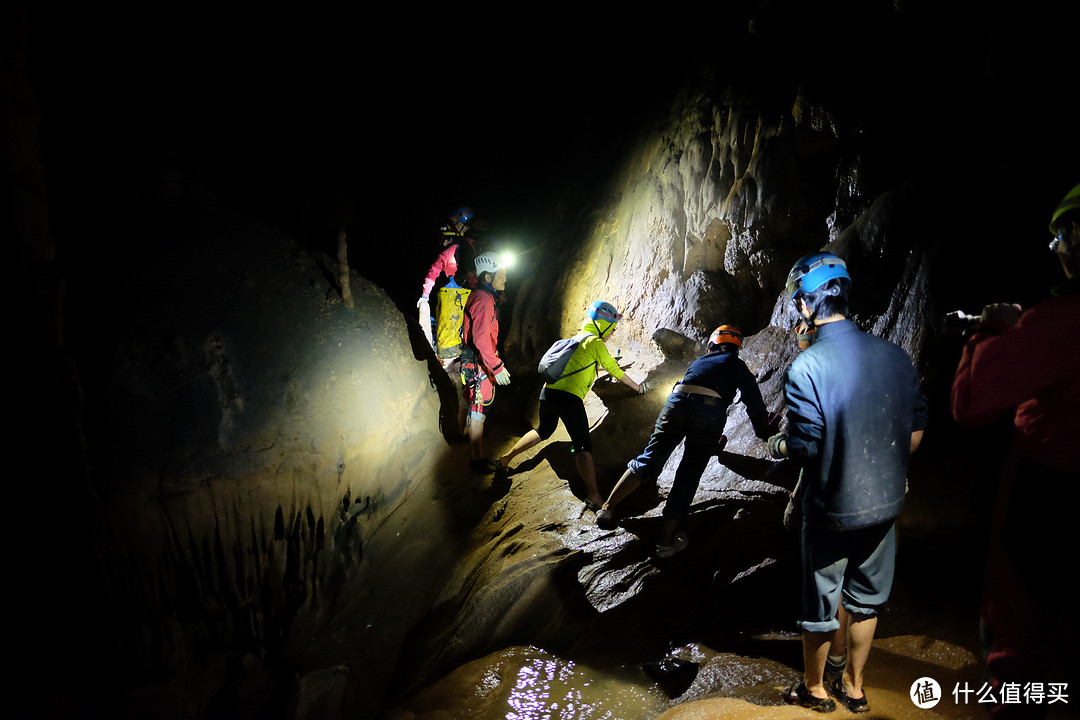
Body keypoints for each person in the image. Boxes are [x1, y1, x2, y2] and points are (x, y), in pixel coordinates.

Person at [768, 251, 928, 713]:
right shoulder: (895, 355)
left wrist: (778, 446)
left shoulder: (806, 368)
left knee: (822, 602)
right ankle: (855, 689)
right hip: (885, 502)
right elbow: (915, 429)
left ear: (804, 305)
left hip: (832, 509)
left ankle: (816, 691)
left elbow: (805, 446)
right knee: (865, 601)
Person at [950, 183, 1080, 719]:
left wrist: (990, 332)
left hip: (1049, 513)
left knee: (1021, 654)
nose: (1057, 248)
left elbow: (972, 402)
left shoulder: (1060, 321)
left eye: (1063, 234)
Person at [596, 325, 777, 558]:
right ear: (736, 348)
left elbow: (693, 394)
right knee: (688, 475)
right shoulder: (736, 365)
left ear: (712, 345)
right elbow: (753, 401)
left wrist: (712, 440)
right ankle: (665, 542)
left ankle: (607, 509)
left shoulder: (700, 362)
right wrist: (764, 430)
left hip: (676, 401)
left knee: (650, 458)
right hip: (709, 411)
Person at [500, 301, 647, 509]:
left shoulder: (575, 339)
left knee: (544, 429)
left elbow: (583, 364)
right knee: (581, 445)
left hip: (548, 393)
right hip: (568, 398)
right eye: (612, 328)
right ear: (602, 325)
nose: (612, 333)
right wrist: (638, 388)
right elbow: (614, 369)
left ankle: (506, 459)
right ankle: (594, 495)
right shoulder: (596, 343)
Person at [461, 252, 511, 473]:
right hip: (479, 360)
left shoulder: (487, 296)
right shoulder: (483, 299)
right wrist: (496, 366)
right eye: (501, 274)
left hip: (481, 359)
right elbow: (481, 337)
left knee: (476, 406)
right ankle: (476, 460)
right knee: (478, 408)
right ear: (488, 277)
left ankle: (471, 447)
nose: (505, 279)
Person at [418, 207, 478, 363]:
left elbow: (432, 274)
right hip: (473, 294)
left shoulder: (448, 252)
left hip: (454, 296)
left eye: (444, 239)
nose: (442, 242)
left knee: (449, 336)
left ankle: (446, 359)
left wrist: (424, 295)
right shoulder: (472, 245)